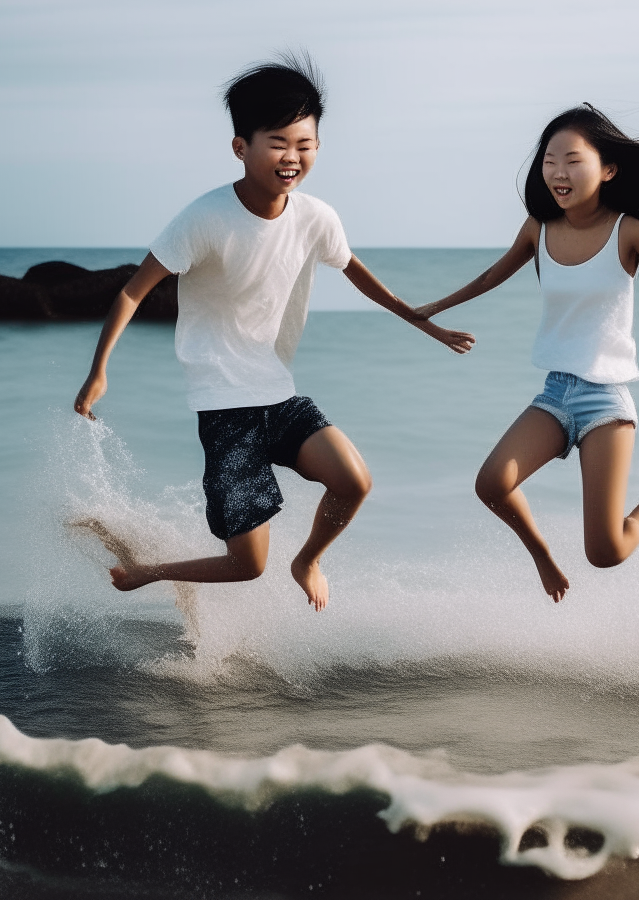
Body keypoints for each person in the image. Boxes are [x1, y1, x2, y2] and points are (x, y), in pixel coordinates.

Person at [73, 56, 474, 611]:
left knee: (354, 481)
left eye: (306, 144)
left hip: (279, 394)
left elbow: (358, 276)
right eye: (279, 143)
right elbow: (132, 291)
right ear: (241, 147)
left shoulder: (316, 217)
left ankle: (308, 558)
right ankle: (147, 572)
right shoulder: (204, 217)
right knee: (247, 566)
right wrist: (99, 372)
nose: (294, 157)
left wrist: (423, 322)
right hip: (225, 409)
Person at [414, 104, 639, 603]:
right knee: (491, 484)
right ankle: (544, 559)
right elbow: (490, 277)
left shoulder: (626, 231)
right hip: (554, 393)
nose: (558, 173)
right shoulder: (538, 228)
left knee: (605, 552)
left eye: (572, 160)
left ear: (607, 169)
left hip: (605, 402)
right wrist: (433, 309)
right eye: (549, 161)